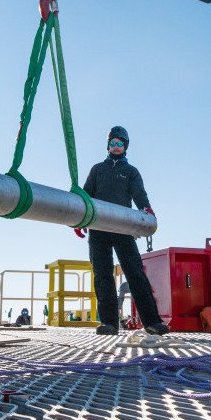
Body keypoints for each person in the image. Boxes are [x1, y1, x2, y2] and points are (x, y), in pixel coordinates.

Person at [75, 126, 170, 336]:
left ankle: (152, 322)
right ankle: (109, 323)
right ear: (108, 146)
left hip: (123, 228)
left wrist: (147, 210)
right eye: (112, 143)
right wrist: (79, 220)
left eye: (120, 143)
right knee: (102, 274)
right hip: (98, 228)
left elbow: (139, 195)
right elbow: (86, 196)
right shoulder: (97, 170)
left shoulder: (131, 172)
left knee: (135, 273)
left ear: (125, 147)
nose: (116, 146)